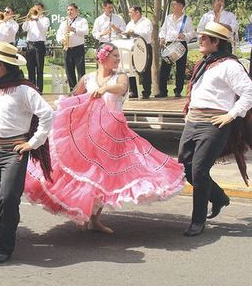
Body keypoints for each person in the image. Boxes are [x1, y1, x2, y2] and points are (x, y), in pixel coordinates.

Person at [24, 43, 185, 234]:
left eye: (118, 56)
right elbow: (74, 96)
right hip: (89, 134)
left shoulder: (120, 77)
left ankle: (94, 219)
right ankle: (83, 212)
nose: (118, 59)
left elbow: (122, 88)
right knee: (88, 173)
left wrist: (105, 88)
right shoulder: (88, 78)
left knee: (107, 176)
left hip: (114, 135)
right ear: (103, 57)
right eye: (114, 55)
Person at [0, 42, 54, 264]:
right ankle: (10, 209)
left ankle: (4, 248)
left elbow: (47, 115)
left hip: (14, 152)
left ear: (3, 65)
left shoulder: (25, 89)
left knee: (7, 197)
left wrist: (33, 143)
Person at [179, 22, 252, 237]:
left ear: (216, 42)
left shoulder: (230, 65)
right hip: (194, 121)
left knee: (200, 171)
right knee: (185, 167)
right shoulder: (205, 63)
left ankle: (197, 221)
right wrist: (189, 113)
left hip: (214, 123)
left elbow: (249, 92)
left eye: (204, 38)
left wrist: (231, 115)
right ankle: (219, 197)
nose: (200, 40)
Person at [158, 0, 194, 98]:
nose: (173, 6)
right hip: (169, 44)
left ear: (181, 6)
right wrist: (162, 38)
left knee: (180, 68)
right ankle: (163, 91)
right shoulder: (168, 17)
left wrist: (185, 36)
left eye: (175, 4)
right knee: (164, 68)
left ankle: (178, 91)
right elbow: (163, 30)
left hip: (181, 44)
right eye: (172, 5)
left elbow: (192, 33)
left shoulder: (187, 19)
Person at [55, 3, 89, 90]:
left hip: (78, 48)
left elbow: (86, 31)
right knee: (69, 70)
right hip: (67, 48)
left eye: (71, 10)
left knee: (80, 70)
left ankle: (82, 89)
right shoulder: (63, 23)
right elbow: (59, 34)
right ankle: (72, 89)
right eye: (68, 10)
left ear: (76, 11)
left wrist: (73, 29)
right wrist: (61, 40)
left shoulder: (82, 21)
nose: (69, 12)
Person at [125, 5, 153, 99]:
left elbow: (146, 33)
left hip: (144, 47)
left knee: (145, 69)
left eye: (131, 12)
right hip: (132, 47)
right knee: (132, 68)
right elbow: (127, 33)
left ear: (137, 12)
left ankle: (146, 91)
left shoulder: (146, 22)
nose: (129, 14)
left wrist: (133, 32)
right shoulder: (130, 23)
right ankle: (134, 91)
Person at [22, 2, 50, 92]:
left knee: (39, 68)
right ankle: (31, 88)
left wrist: (37, 20)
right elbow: (24, 28)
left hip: (39, 45)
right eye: (35, 9)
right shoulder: (30, 20)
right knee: (30, 68)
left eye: (38, 9)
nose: (36, 10)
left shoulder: (45, 19)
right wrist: (27, 19)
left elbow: (43, 30)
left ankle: (39, 89)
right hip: (30, 44)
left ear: (42, 10)